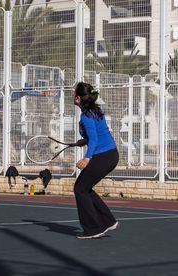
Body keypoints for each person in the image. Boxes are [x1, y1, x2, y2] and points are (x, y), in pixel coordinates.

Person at [73, 82, 119, 239]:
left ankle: (93, 229)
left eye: (74, 93)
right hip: (110, 155)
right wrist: (83, 141)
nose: (72, 96)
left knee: (80, 189)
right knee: (84, 188)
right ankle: (107, 221)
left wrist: (87, 158)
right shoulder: (95, 111)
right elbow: (95, 136)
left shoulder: (86, 116)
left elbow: (94, 139)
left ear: (78, 98)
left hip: (103, 156)